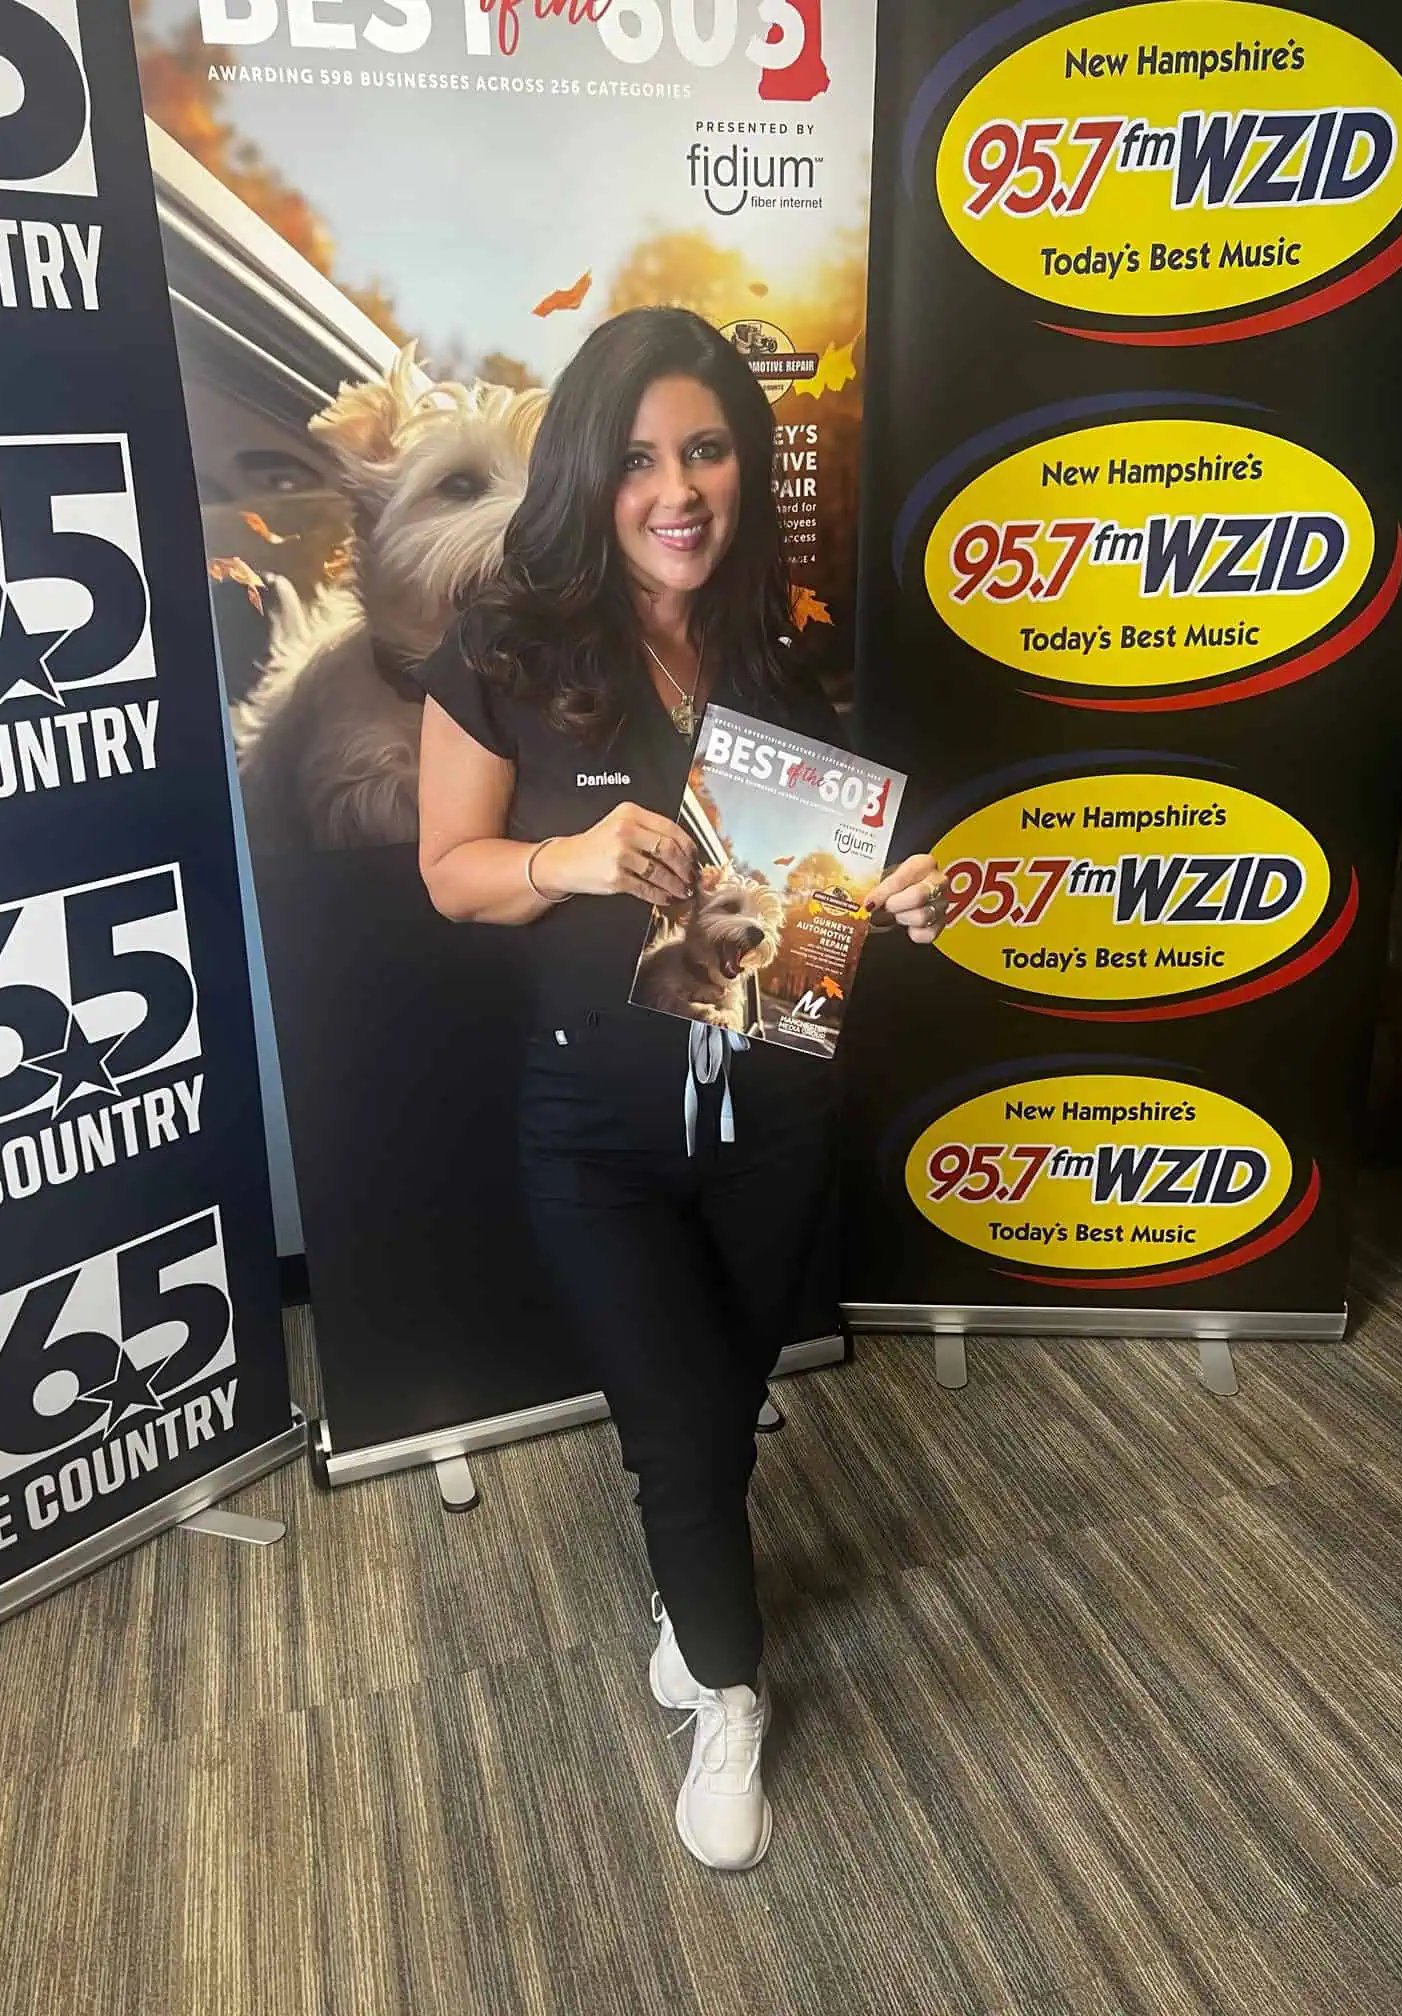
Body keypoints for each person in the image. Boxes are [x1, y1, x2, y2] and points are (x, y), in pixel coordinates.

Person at [416, 307, 945, 1871]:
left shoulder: (780, 640)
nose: (678, 489)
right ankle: (731, 1688)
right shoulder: (505, 646)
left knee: (718, 1415)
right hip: (594, 1121)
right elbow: (449, 875)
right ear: (593, 465)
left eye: (706, 448)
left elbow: (809, 888)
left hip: (773, 1111)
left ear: (743, 458)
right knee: (677, 1420)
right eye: (642, 457)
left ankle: (683, 1583)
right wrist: (568, 859)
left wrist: (892, 899)